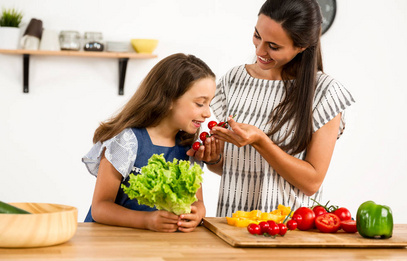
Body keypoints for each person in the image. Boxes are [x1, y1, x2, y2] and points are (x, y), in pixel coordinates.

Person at [188, 0, 355, 217]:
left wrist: (261, 141)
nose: (259, 50)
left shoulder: (326, 93)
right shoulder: (234, 79)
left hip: (290, 228)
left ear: (302, 46)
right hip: (233, 223)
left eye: (273, 46)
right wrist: (214, 159)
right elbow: (233, 170)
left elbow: (311, 183)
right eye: (257, 35)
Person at [82, 53, 216, 232]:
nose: (208, 113)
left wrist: (198, 212)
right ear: (169, 99)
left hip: (154, 247)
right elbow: (100, 208)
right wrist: (146, 220)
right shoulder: (127, 142)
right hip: (110, 242)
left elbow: (197, 202)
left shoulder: (189, 148)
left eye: (209, 104)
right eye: (200, 103)